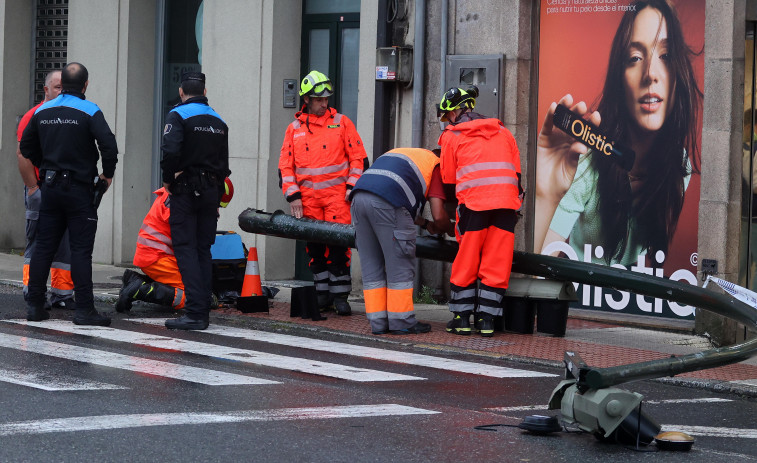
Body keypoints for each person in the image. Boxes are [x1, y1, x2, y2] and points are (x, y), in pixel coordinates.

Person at [534, 0, 703, 268]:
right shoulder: (587, 161)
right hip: (585, 300)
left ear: (678, 74)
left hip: (634, 303)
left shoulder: (679, 165)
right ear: (619, 77)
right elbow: (537, 270)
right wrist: (545, 196)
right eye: (635, 58)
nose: (650, 74)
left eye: (666, 56)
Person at [19, 62, 118, 325]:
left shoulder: (44, 111)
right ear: (85, 85)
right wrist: (106, 175)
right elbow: (109, 146)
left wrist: (46, 166)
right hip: (79, 189)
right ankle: (85, 310)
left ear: (63, 83)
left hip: (50, 188)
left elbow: (27, 147)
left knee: (44, 247)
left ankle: (35, 307)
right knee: (81, 250)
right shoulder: (90, 110)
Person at [278, 70, 367, 315]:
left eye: (326, 99)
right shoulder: (294, 129)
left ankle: (340, 297)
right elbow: (285, 166)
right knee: (315, 249)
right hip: (307, 201)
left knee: (339, 249)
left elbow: (359, 159)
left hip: (338, 198)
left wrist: (352, 187)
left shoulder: (342, 122)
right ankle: (322, 294)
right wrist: (293, 195)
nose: (324, 103)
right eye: (319, 100)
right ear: (306, 100)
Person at [437, 86, 523, 337]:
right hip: (507, 205)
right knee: (497, 261)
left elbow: (448, 179)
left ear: (455, 112)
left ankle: (462, 318)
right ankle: (487, 321)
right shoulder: (504, 132)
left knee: (468, 257)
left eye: (447, 116)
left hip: (475, 205)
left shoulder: (452, 136)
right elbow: (516, 174)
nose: (447, 121)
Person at [350, 147, 454, 335]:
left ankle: (378, 322)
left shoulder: (405, 154)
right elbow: (439, 215)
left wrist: (424, 223)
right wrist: (450, 228)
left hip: (359, 198)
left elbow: (390, 194)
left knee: (371, 264)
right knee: (400, 264)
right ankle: (401, 321)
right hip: (389, 203)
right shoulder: (436, 165)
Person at [161, 71, 230, 330]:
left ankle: (194, 312)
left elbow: (170, 152)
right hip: (211, 191)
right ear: (205, 91)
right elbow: (224, 164)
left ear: (181, 92)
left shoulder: (177, 115)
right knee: (203, 250)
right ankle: (202, 312)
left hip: (186, 190)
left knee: (186, 248)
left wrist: (168, 179)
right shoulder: (219, 120)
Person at [115, 178, 234, 313]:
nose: (216, 209)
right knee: (197, 297)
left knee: (196, 287)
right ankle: (140, 289)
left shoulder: (182, 193)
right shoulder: (182, 201)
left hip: (156, 255)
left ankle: (135, 282)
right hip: (157, 257)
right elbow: (187, 242)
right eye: (215, 204)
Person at [16, 70, 75, 311]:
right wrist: (32, 188)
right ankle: (32, 291)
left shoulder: (69, 115)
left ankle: (62, 293)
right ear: (46, 90)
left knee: (65, 243)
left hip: (62, 187)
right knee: (38, 241)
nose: (62, 91)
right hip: (41, 187)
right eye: (58, 87)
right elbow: (23, 155)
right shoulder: (34, 116)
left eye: (65, 87)